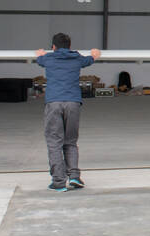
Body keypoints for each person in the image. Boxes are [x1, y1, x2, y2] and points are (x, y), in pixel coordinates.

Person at [33, 33, 101, 191]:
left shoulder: (48, 59)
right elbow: (90, 59)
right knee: (70, 141)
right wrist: (95, 54)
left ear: (53, 47)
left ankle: (58, 181)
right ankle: (74, 177)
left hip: (54, 103)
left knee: (54, 142)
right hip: (73, 103)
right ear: (70, 46)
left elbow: (40, 58)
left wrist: (40, 54)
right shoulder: (77, 58)